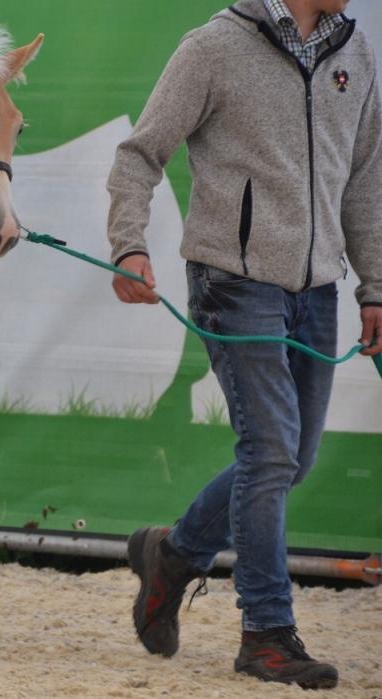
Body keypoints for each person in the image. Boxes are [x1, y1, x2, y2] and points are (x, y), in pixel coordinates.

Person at [105, 0, 381, 690]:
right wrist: (129, 246)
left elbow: (366, 184)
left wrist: (374, 288)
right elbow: (139, 155)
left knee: (292, 457)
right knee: (271, 450)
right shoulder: (214, 48)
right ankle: (266, 631)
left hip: (316, 290)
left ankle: (174, 555)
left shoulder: (357, 55)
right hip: (232, 280)